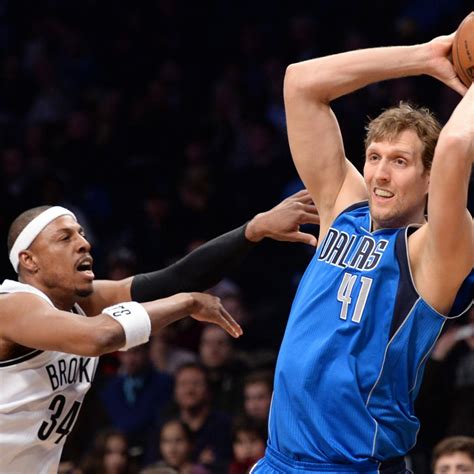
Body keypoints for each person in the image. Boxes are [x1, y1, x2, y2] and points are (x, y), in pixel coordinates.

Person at [252, 31, 474, 474]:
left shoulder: (434, 252)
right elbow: (301, 83)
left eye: (400, 161)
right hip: (278, 460)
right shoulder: (343, 210)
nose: (380, 175)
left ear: (430, 178)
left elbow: (453, 147)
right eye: (374, 157)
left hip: (354, 466)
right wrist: (424, 56)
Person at [0, 189, 319, 474]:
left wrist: (253, 230)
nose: (84, 243)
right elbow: (99, 337)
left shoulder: (81, 302)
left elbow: (176, 278)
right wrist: (185, 303)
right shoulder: (11, 305)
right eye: (64, 238)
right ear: (29, 260)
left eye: (81, 234)